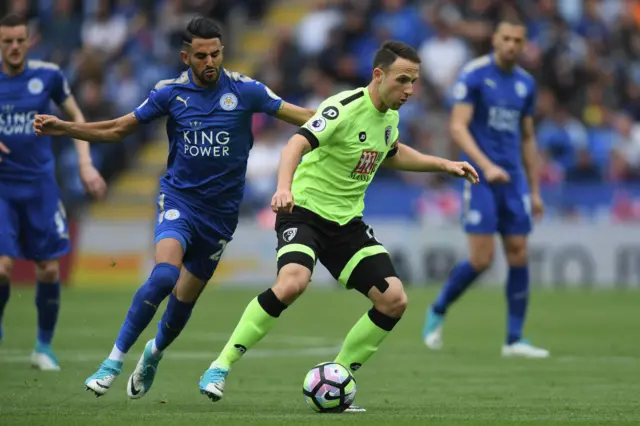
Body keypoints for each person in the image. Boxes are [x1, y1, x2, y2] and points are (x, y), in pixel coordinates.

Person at [33, 16, 314, 397]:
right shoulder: (169, 93)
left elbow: (307, 118)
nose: (210, 61)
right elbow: (119, 128)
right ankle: (112, 361)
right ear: (186, 57)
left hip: (221, 216)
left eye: (215, 53)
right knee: (164, 276)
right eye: (201, 55)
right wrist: (66, 128)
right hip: (179, 201)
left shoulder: (247, 91)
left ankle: (154, 353)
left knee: (183, 301)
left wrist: (350, 120)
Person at [197, 40, 479, 412]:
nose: (409, 90)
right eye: (403, 80)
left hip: (346, 224)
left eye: (414, 82)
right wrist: (283, 188)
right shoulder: (342, 108)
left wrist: (443, 164)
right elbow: (294, 146)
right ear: (378, 76)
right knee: (292, 282)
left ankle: (339, 376)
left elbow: (391, 153)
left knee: (394, 300)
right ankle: (220, 366)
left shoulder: (389, 118)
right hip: (303, 211)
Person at [422, 19, 550, 358]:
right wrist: (486, 165)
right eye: (506, 38)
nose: (511, 45)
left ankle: (514, 339)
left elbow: (527, 138)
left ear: (523, 45)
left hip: (513, 180)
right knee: (482, 259)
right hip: (478, 176)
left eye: (517, 40)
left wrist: (535, 190)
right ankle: (438, 309)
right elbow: (458, 127)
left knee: (519, 252)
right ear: (495, 39)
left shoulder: (526, 84)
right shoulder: (475, 75)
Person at [0, 13, 107, 371]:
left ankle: (43, 347)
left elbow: (76, 117)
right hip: (2, 189)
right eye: (7, 41)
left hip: (41, 187)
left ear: (29, 40)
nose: (14, 47)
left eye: (19, 40)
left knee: (48, 269)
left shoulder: (48, 76)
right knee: (2, 268)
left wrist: (85, 163)